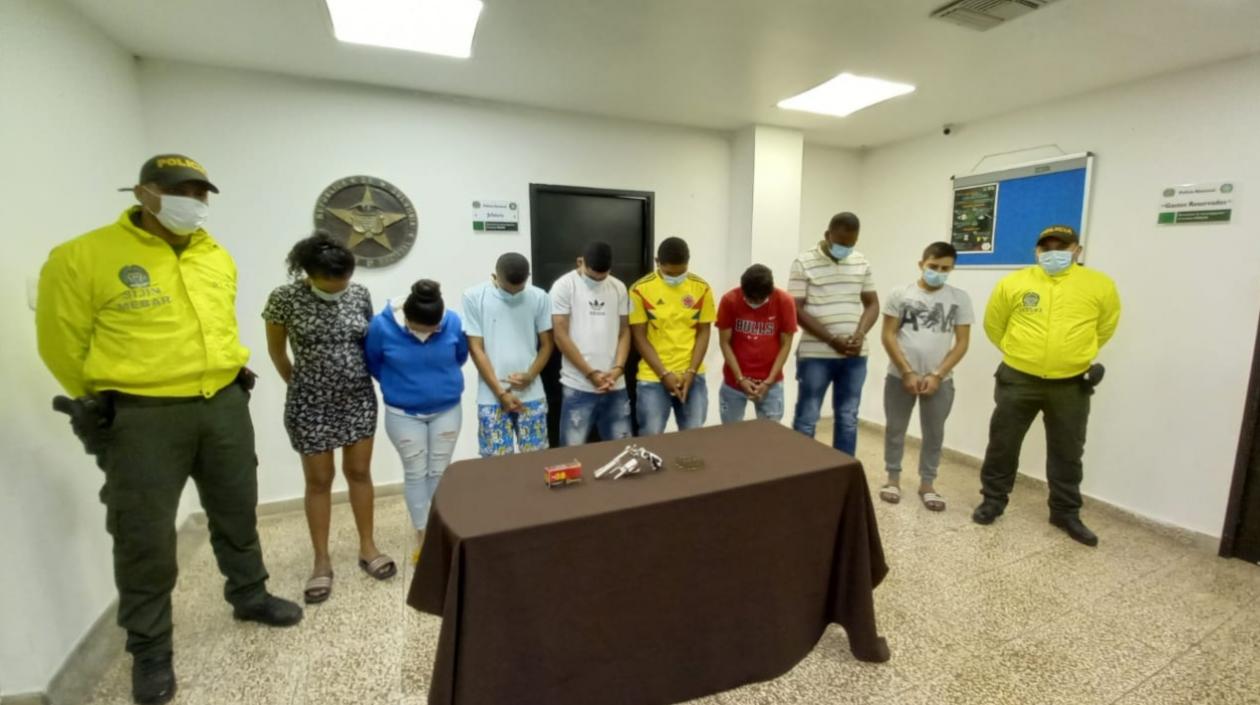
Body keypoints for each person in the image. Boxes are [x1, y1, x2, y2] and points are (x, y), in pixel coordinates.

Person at [35, 155, 301, 705]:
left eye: (201, 193)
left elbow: (219, 325)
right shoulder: (83, 256)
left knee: (236, 507)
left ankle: (249, 594)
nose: (193, 202)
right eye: (180, 191)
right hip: (144, 416)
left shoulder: (213, 254)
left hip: (223, 402)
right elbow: (60, 343)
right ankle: (150, 649)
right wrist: (110, 398)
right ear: (144, 193)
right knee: (144, 536)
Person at [262, 233, 395, 605]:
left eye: (344, 280)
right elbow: (277, 353)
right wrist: (301, 386)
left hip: (358, 399)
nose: (339, 287)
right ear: (308, 273)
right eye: (330, 281)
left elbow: (367, 343)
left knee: (359, 473)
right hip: (310, 404)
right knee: (319, 480)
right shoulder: (283, 299)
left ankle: (368, 546)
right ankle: (321, 560)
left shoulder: (359, 294)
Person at [972, 225, 1121, 547]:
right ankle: (993, 501)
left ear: (1077, 250)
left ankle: (1065, 512)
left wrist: (1074, 356)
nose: (1054, 253)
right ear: (1037, 252)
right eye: (1046, 248)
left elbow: (1105, 327)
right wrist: (1021, 352)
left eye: (1061, 248)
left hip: (1071, 384)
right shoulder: (1014, 283)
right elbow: (994, 325)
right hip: (1018, 379)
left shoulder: (1100, 285)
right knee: (1003, 444)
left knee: (1068, 451)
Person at [366, 280, 468, 563]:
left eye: (434, 329)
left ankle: (439, 528)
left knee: (439, 471)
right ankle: (422, 534)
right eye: (422, 329)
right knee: (415, 472)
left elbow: (460, 356)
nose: (429, 334)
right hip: (403, 414)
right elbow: (373, 363)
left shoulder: (452, 321)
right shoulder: (381, 326)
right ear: (407, 319)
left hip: (447, 410)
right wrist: (402, 386)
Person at [878, 242, 973, 512]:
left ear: (952, 269)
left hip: (940, 380)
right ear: (921, 264)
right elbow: (888, 335)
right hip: (899, 377)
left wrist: (938, 374)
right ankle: (892, 479)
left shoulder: (959, 298)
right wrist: (906, 371)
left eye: (945, 268)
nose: (938, 272)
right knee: (895, 429)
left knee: (934, 433)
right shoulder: (900, 294)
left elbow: (962, 342)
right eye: (933, 266)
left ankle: (927, 484)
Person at [789, 212, 880, 455]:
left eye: (851, 244)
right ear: (828, 235)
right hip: (816, 355)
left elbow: (872, 304)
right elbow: (795, 309)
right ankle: (803, 470)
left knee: (848, 418)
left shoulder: (861, 262)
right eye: (840, 243)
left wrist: (860, 333)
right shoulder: (803, 262)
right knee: (807, 418)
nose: (845, 249)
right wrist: (831, 339)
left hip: (854, 355)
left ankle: (843, 470)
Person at [463, 253, 554, 456]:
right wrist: (501, 393)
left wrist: (530, 375)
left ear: (527, 277)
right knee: (497, 463)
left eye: (519, 289)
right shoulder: (474, 296)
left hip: (532, 394)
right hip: (492, 397)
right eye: (507, 289)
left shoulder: (539, 297)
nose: (513, 294)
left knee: (536, 458)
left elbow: (547, 344)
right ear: (495, 276)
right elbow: (476, 348)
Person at [629, 236, 715, 435]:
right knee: (651, 437)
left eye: (681, 272)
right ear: (657, 262)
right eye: (669, 273)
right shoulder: (639, 290)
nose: (675, 278)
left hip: (692, 376)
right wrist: (664, 374)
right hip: (653, 377)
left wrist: (691, 372)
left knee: (694, 437)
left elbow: (704, 331)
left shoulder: (701, 288)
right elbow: (639, 337)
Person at [550, 241, 632, 446]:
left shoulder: (618, 287)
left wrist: (618, 369)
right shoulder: (564, 286)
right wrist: (590, 373)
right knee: (572, 452)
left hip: (615, 384)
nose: (598, 280)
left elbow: (624, 331)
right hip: (578, 385)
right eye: (592, 276)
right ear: (581, 262)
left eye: (603, 276)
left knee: (623, 449)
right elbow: (560, 335)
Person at [715, 264, 798, 423]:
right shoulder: (729, 300)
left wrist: (768, 381)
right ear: (743, 289)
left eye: (758, 300)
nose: (753, 303)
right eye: (749, 298)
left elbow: (786, 345)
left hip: (771, 383)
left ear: (769, 292)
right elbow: (724, 343)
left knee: (769, 434)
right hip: (734, 382)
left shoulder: (784, 301)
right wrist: (740, 378)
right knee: (730, 433)